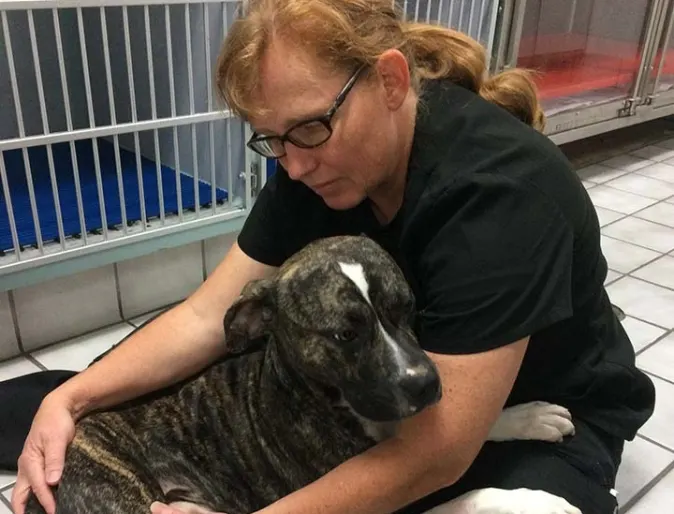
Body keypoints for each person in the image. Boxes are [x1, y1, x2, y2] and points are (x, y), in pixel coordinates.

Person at [11, 0, 656, 513]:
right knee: (75, 402)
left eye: (311, 129)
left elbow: (437, 452)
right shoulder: (314, 164)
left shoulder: (499, 194)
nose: (293, 163)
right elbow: (211, 317)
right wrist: (70, 400)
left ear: (391, 81)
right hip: (376, 392)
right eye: (273, 140)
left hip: (532, 410)